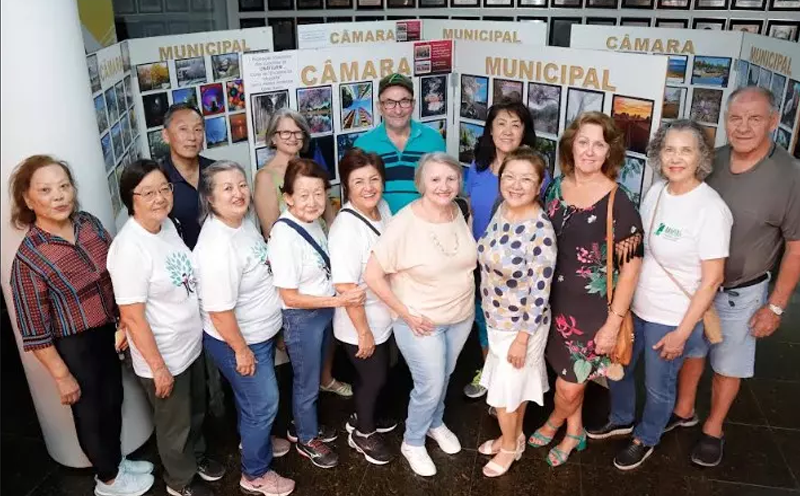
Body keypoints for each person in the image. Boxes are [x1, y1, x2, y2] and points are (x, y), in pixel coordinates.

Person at [587, 120, 732, 471]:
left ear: (701, 157)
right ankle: (621, 418)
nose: (676, 157)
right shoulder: (656, 192)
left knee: (658, 385)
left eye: (686, 150)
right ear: (658, 154)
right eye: (669, 149)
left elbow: (712, 280)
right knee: (618, 367)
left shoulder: (711, 209)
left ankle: (647, 436)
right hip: (637, 307)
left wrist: (682, 333)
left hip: (672, 318)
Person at [8, 155, 155, 496]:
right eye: (46, 190)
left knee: (114, 399)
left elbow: (115, 273)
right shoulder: (29, 258)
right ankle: (108, 480)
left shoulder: (88, 224)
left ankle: (115, 462)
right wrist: (62, 376)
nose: (58, 196)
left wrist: (122, 323)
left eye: (64, 186)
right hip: (74, 345)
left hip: (108, 332)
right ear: (29, 200)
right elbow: (34, 329)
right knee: (90, 413)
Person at [671, 87, 800, 467]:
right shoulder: (712, 161)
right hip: (695, 287)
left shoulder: (790, 176)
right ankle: (683, 412)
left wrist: (775, 307)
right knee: (692, 355)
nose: (743, 127)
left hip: (742, 292)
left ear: (773, 121)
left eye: (755, 118)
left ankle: (713, 429)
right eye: (736, 118)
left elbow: (796, 249)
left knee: (729, 364)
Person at [529, 111, 644, 467]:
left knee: (569, 384)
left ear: (609, 152)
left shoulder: (619, 201)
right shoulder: (555, 187)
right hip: (552, 303)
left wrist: (613, 323)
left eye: (599, 144)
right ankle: (575, 428)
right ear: (571, 145)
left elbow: (631, 270)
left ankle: (557, 420)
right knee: (564, 374)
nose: (590, 151)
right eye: (583, 142)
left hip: (592, 313)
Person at [107, 160, 225, 496]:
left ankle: (197, 457)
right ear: (131, 199)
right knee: (175, 424)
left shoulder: (167, 226)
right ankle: (180, 481)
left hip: (189, 343)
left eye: (164, 189)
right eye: (148, 192)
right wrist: (158, 368)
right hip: (162, 354)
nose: (159, 198)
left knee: (195, 411)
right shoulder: (129, 248)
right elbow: (132, 317)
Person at [365, 152, 478, 477]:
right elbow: (373, 276)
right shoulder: (404, 222)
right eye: (435, 179)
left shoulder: (459, 210)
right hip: (420, 321)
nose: (443, 186)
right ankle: (413, 440)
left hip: (460, 314)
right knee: (429, 383)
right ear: (421, 184)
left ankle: (435, 423)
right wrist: (406, 314)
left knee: (444, 376)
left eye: (450, 178)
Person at [193, 161, 295, 496]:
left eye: (241, 185)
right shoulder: (217, 247)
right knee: (264, 402)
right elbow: (219, 312)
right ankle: (255, 473)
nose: (238, 193)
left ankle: (256, 442)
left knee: (251, 401)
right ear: (209, 198)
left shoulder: (240, 223)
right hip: (238, 339)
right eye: (227, 188)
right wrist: (241, 350)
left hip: (258, 332)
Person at [268, 158, 366, 469]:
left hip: (322, 314)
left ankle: (302, 425)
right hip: (304, 319)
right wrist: (337, 302)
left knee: (314, 376)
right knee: (307, 382)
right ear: (288, 197)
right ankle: (308, 439)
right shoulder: (284, 235)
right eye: (304, 195)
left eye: (319, 193)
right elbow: (290, 297)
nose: (313, 202)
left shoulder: (314, 222)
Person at [253, 108, 350, 399]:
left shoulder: (310, 168)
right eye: (285, 132)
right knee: (304, 347)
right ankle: (307, 400)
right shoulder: (265, 177)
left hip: (324, 262)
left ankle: (326, 378)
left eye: (298, 132)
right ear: (272, 137)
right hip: (296, 271)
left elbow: (330, 213)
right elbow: (271, 230)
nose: (292, 138)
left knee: (328, 333)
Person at [475, 147, 557, 477]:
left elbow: (539, 293)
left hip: (520, 326)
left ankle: (509, 448)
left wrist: (523, 339)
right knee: (513, 387)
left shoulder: (540, 230)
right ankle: (513, 436)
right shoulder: (503, 211)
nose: (516, 184)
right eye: (509, 176)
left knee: (506, 393)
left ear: (540, 185)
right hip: (495, 319)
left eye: (526, 179)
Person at [462, 99, 548, 401]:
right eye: (501, 123)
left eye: (516, 124)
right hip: (481, 261)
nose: (507, 131)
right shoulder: (478, 167)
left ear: (525, 131)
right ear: (490, 129)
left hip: (517, 269)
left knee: (515, 328)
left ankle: (512, 383)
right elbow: (470, 209)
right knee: (482, 320)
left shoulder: (537, 172)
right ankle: (489, 372)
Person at [328, 149, 397, 466]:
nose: (369, 187)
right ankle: (363, 433)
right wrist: (364, 332)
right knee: (373, 378)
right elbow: (346, 288)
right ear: (346, 186)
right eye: (359, 182)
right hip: (360, 321)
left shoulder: (380, 207)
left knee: (381, 375)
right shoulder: (345, 229)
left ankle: (364, 414)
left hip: (384, 313)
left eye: (374, 179)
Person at [159, 102, 225, 418]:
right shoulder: (159, 180)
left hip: (221, 279)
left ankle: (230, 419)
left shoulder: (216, 172)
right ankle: (206, 429)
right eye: (183, 128)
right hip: (181, 287)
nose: (192, 136)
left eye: (198, 129)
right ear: (165, 135)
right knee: (192, 363)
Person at [354, 73, 447, 214]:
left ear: (413, 104)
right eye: (390, 103)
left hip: (424, 227)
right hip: (382, 229)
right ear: (379, 106)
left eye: (404, 101)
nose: (398, 110)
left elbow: (443, 187)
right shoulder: (363, 144)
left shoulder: (433, 139)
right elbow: (356, 195)